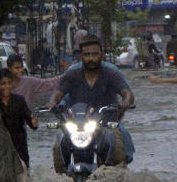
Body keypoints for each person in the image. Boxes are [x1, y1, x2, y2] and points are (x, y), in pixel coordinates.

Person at [46, 35, 135, 172]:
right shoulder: (72, 75)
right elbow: (58, 93)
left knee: (117, 150)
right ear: (81, 57)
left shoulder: (111, 74)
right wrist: (52, 103)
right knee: (59, 147)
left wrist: (126, 102)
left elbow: (127, 93)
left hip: (105, 123)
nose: (91, 58)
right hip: (77, 125)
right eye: (87, 55)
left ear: (102, 55)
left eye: (95, 54)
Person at [0, 68, 37, 168]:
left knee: (24, 175)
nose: (7, 86)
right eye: (3, 84)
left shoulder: (19, 100)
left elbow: (29, 118)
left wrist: (34, 123)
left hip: (19, 145)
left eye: (9, 83)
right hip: (0, 147)